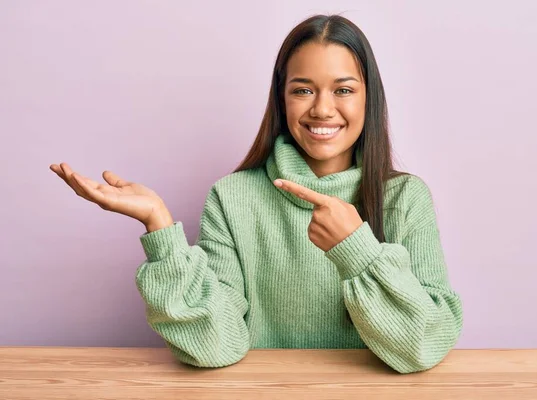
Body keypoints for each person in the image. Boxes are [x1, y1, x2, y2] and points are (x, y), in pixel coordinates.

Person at [49, 14, 463, 374]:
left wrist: (356, 250)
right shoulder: (232, 198)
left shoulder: (406, 199)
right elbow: (217, 345)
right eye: (303, 89)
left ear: (369, 98)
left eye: (343, 90)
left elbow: (424, 345)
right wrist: (159, 226)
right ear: (281, 99)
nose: (321, 108)